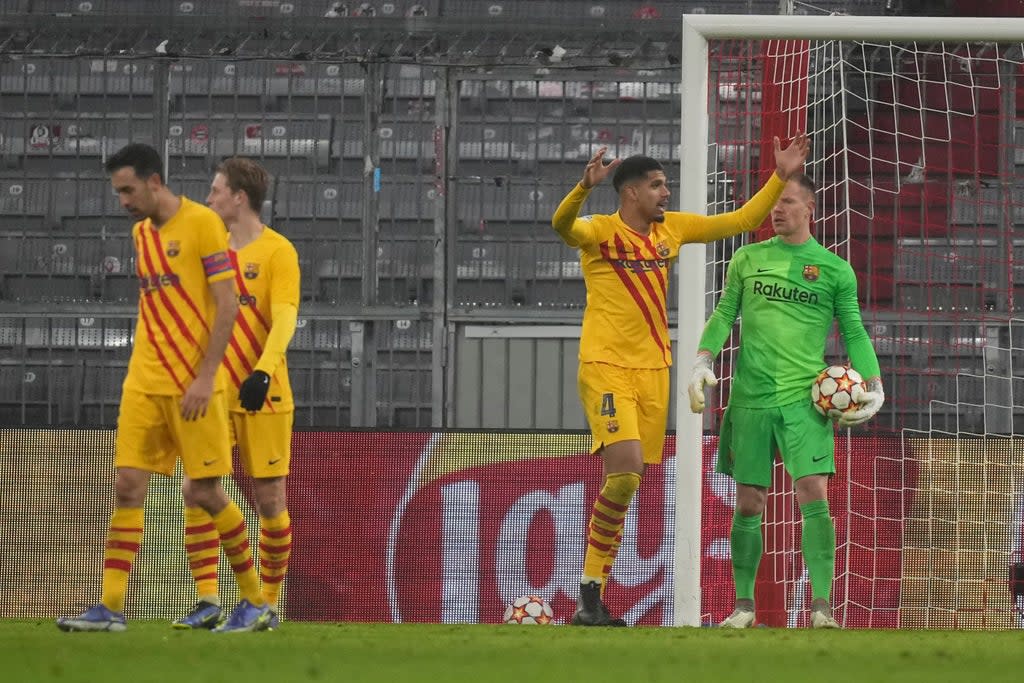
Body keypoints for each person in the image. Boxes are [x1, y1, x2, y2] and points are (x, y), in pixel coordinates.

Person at [551, 133, 810, 626]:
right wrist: (582, 187)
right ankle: (588, 592)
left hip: (654, 372)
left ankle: (591, 594)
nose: (666, 193)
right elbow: (561, 225)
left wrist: (780, 175)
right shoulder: (600, 230)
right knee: (624, 470)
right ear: (631, 193)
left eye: (665, 185)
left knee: (628, 483)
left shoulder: (671, 231)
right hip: (605, 367)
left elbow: (740, 221)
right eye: (657, 185)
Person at [56, 143, 272, 632]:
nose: (124, 201)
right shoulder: (139, 234)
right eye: (118, 192)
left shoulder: (202, 225)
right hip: (144, 382)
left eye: (129, 190)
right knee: (127, 486)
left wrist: (205, 376)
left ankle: (256, 600)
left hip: (195, 387)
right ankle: (111, 608)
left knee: (205, 492)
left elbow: (227, 305)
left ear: (155, 182)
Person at [687, 173, 884, 629]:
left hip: (805, 400)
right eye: (774, 204)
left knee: (813, 490)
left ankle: (821, 607)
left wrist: (873, 382)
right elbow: (723, 314)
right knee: (750, 502)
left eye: (788, 202)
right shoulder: (747, 258)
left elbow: (852, 330)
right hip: (750, 399)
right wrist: (701, 360)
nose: (778, 210)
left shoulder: (834, 269)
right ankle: (743, 607)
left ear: (810, 209)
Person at [172, 157, 300, 631]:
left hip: (264, 393)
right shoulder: (210, 253)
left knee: (269, 500)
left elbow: (285, 315)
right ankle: (208, 598)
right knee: (197, 488)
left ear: (238, 197)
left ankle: (264, 602)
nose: (209, 199)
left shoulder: (277, 252)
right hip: (216, 391)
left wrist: (263, 372)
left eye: (216, 190)